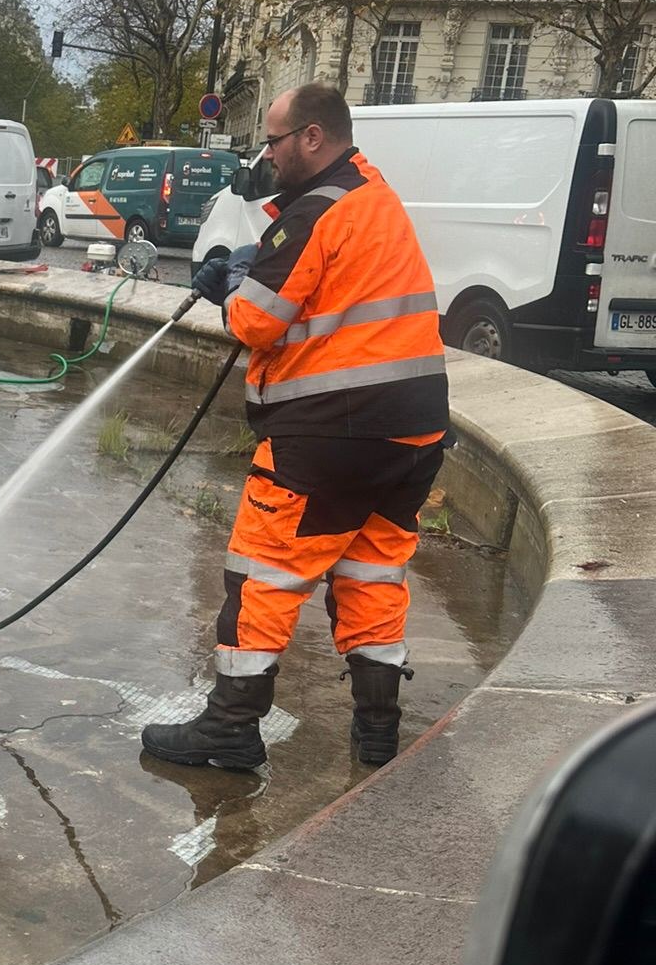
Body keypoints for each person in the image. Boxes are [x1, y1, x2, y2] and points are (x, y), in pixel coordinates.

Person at [140, 81, 450, 775]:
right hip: (414, 436)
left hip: (328, 437)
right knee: (371, 575)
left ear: (313, 137)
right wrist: (260, 266)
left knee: (262, 576)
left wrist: (234, 285)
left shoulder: (311, 212)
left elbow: (255, 322)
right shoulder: (373, 196)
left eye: (274, 142)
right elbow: (334, 290)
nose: (268, 157)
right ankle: (376, 731)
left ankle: (229, 727)